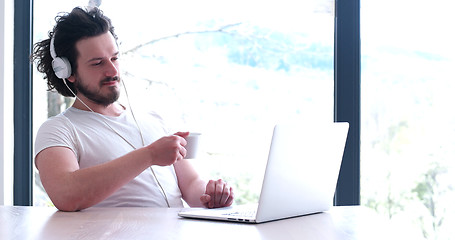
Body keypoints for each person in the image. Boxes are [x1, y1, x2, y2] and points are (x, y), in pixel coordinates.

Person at [31, 7, 234, 212]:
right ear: (67, 72)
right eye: (98, 63)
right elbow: (66, 195)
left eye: (115, 58)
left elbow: (191, 186)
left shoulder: (153, 119)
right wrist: (149, 155)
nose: (112, 70)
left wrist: (211, 196)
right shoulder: (58, 129)